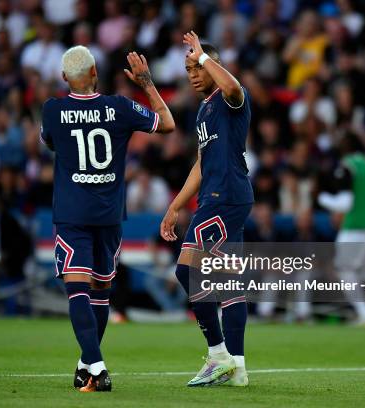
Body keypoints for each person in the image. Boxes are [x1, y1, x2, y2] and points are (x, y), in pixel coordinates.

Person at [41, 45, 174, 391]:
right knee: (100, 291)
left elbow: (51, 142)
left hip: (72, 213)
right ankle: (91, 363)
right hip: (108, 214)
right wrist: (146, 84)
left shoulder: (52, 110)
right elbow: (168, 124)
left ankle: (92, 365)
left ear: (63, 78)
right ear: (95, 72)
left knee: (78, 291)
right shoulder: (119, 107)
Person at [160, 32, 253, 387]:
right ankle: (238, 369)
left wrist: (204, 58)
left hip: (223, 198)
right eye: (188, 68)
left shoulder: (229, 98)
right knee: (229, 285)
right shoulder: (203, 110)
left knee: (187, 272)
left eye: (196, 66)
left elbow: (234, 88)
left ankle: (217, 355)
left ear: (211, 65)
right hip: (221, 197)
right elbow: (201, 164)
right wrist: (175, 206)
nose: (192, 73)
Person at [318, 133, 365, 325]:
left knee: (345, 272)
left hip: (353, 228)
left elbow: (346, 203)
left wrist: (322, 199)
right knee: (360, 271)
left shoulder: (348, 165)